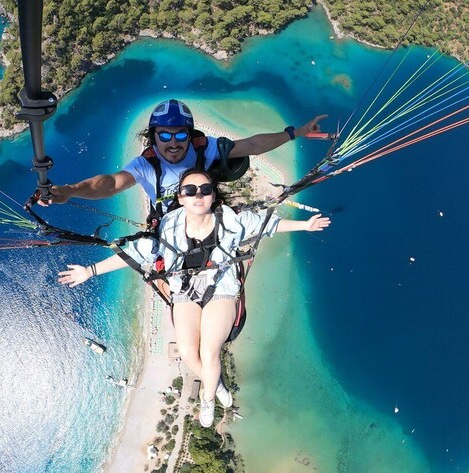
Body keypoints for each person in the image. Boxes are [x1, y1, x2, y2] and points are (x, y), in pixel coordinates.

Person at [58, 169, 331, 427]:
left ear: (213, 195)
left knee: (209, 351)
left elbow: (266, 224)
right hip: (185, 289)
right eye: (190, 190)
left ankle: (208, 398)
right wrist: (91, 270)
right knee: (189, 353)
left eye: (204, 189)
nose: (198, 195)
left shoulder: (229, 219)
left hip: (220, 287)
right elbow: (137, 252)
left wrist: (305, 225)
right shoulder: (167, 226)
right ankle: (216, 383)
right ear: (180, 198)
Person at [43, 98, 328, 218]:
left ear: (190, 135)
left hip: (207, 215)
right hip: (170, 224)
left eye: (180, 135)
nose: (174, 144)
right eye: (164, 136)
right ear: (153, 137)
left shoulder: (204, 148)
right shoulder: (147, 164)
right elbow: (109, 183)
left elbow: (251, 144)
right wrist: (70, 191)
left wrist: (297, 132)